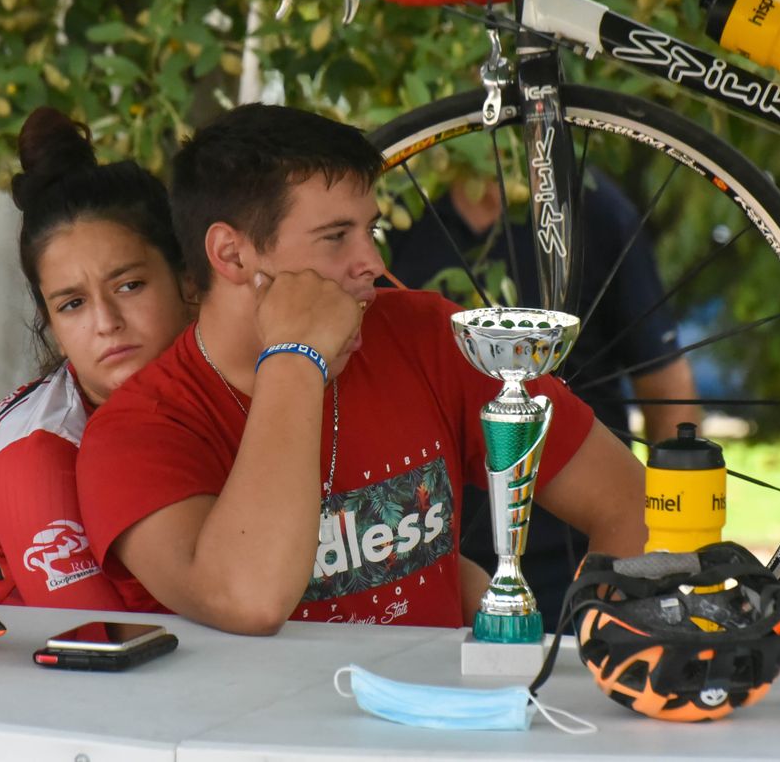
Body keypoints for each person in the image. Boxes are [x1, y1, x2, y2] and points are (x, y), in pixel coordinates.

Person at [76, 103, 647, 635]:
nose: (371, 262)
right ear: (231, 254)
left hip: (452, 729)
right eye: (335, 238)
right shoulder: (136, 434)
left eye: (368, 229)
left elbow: (630, 503)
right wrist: (295, 357)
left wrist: (595, 659)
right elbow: (248, 598)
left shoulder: (425, 333)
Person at [385, 170, 700, 626]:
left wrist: (672, 544)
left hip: (591, 545)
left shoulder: (597, 211)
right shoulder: (400, 213)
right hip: (438, 555)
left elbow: (667, 388)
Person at [0, 107, 194, 609]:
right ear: (50, 324)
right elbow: (103, 652)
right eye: (72, 304)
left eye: (130, 285)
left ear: (188, 281)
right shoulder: (37, 454)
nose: (106, 321)